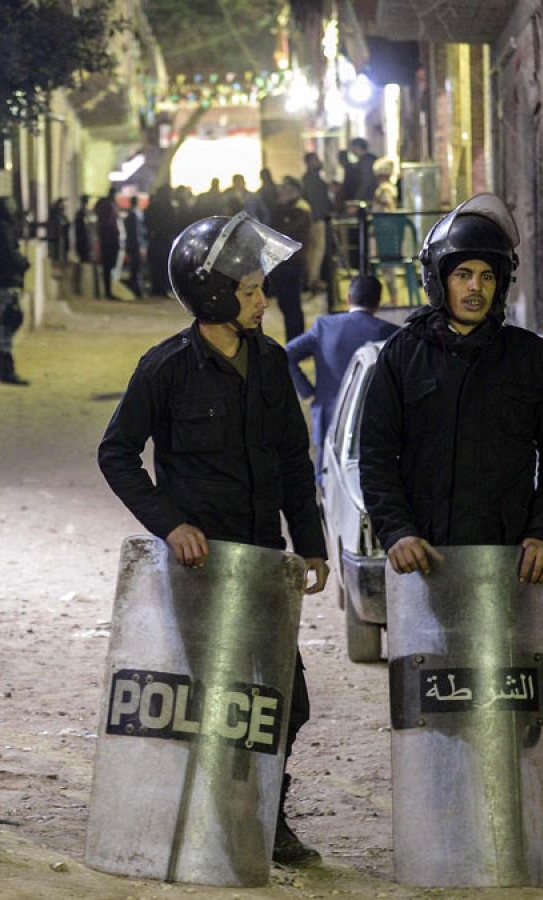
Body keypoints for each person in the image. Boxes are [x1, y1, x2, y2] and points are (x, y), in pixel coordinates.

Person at [97, 213, 329, 866]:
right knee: (203, 707)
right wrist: (169, 524)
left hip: (261, 572)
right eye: (252, 291)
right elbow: (115, 453)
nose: (263, 301)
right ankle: (199, 818)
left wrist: (310, 543)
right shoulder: (165, 369)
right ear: (215, 296)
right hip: (195, 577)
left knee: (285, 703)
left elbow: (291, 459)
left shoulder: (274, 362)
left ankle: (265, 815)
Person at [357, 192, 543, 584]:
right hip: (425, 559)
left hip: (511, 560)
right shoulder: (403, 355)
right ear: (439, 281)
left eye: (487, 275)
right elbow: (376, 455)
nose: (476, 286)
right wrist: (397, 532)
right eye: (463, 275)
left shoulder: (529, 356)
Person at [285, 275, 397, 460]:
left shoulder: (324, 327)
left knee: (326, 474)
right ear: (378, 303)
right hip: (373, 422)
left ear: (348, 299)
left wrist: (308, 392)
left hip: (329, 417)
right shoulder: (390, 333)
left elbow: (287, 354)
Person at [0, 198, 30, 386]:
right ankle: (6, 369)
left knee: (4, 324)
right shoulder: (3, 229)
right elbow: (9, 255)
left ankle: (5, 367)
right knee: (7, 323)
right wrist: (22, 263)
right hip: (5, 284)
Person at [268, 178, 313, 341]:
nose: (281, 191)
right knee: (285, 303)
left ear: (294, 190)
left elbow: (283, 232)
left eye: (285, 188)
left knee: (291, 304)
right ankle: (293, 340)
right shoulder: (289, 209)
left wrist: (280, 207)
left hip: (293, 263)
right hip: (285, 262)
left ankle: (296, 341)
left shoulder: (300, 209)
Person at [301, 152, 341, 309]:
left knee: (314, 251)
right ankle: (313, 281)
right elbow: (318, 201)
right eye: (316, 159)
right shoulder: (313, 179)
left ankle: (313, 280)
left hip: (315, 219)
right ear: (310, 162)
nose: (319, 161)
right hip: (317, 220)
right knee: (318, 251)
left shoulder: (310, 179)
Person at [95, 188, 123, 300]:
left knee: (108, 267)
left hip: (108, 240)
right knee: (108, 266)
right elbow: (109, 223)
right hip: (110, 240)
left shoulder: (108, 206)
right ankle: (107, 291)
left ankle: (108, 291)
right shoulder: (109, 206)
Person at [338, 138, 377, 206]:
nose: (351, 150)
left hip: (367, 199)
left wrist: (357, 199)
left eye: (352, 147)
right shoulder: (366, 160)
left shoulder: (366, 161)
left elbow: (365, 182)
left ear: (357, 147)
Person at [122, 195, 145, 299]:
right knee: (136, 269)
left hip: (132, 246)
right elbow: (136, 233)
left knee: (134, 269)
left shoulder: (130, 214)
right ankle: (137, 291)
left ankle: (136, 291)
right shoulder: (135, 215)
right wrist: (140, 246)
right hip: (135, 246)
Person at [73, 194, 96, 298]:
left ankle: (84, 289)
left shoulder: (83, 213)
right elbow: (86, 231)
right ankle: (83, 289)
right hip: (84, 243)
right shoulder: (83, 214)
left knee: (85, 265)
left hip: (85, 243)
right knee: (84, 264)